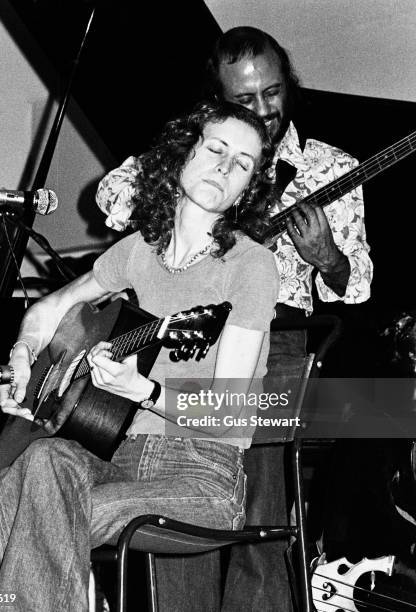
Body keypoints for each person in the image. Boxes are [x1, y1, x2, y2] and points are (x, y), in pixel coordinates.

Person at [95, 26, 373, 612]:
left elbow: (358, 288)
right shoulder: (205, 153)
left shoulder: (330, 167)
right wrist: (185, 191)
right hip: (184, 340)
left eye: (273, 93)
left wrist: (327, 257)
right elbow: (110, 196)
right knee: (167, 500)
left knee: (256, 506)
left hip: (282, 345)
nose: (264, 110)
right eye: (244, 101)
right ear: (215, 103)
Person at [0, 100, 280, 611]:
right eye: (217, 149)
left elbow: (228, 411)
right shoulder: (140, 249)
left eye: (244, 164)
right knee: (44, 459)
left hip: (200, 473)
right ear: (184, 154)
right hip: (111, 454)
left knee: (0, 536)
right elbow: (53, 306)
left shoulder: (250, 266)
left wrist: (146, 391)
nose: (227, 167)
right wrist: (25, 353)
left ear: (246, 189)